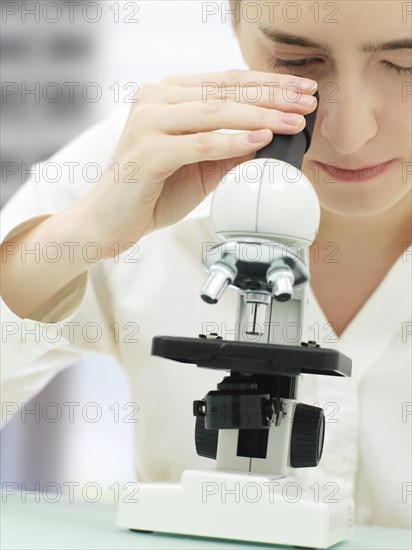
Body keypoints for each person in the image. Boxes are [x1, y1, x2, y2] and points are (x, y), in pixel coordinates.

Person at [1, 0, 411, 529]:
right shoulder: (136, 161)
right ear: (234, 23)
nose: (351, 133)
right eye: (295, 59)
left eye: (406, 65)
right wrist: (84, 235)